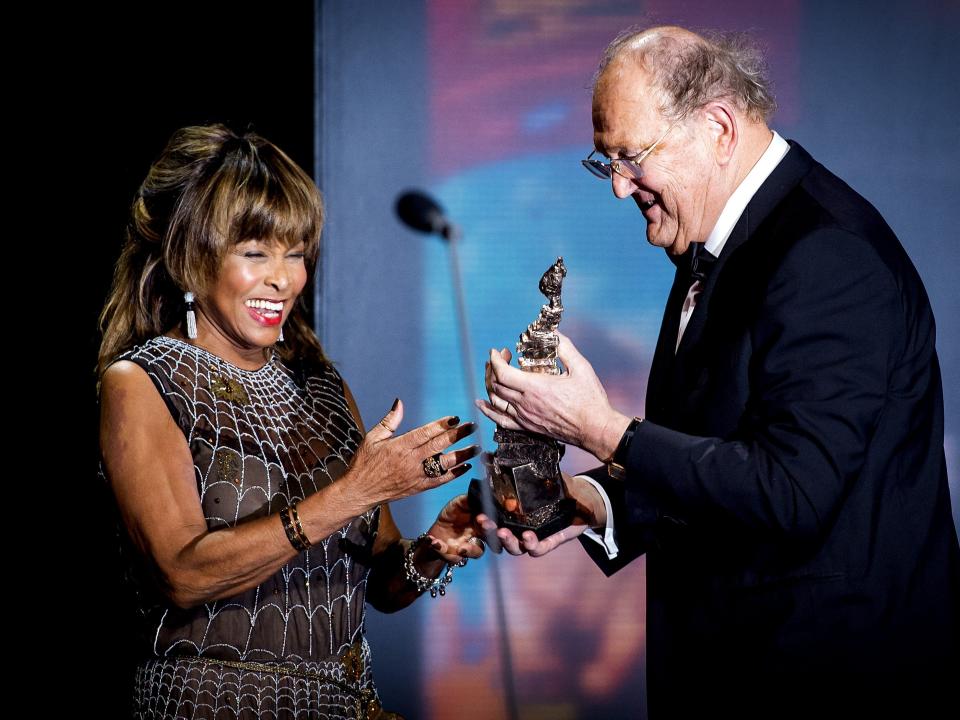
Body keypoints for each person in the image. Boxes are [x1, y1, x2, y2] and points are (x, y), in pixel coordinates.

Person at [477, 25, 959, 716]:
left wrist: (599, 428)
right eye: (603, 162)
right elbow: (715, 463)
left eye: (631, 157)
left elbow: (792, 492)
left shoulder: (828, 255)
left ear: (720, 128)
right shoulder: (716, 242)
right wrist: (595, 505)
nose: (618, 188)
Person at [98, 123, 483, 720]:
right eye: (255, 253)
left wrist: (432, 549)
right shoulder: (143, 383)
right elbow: (183, 573)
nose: (284, 278)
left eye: (296, 253)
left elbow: (378, 582)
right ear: (192, 260)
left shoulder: (322, 387)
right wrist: (358, 489)